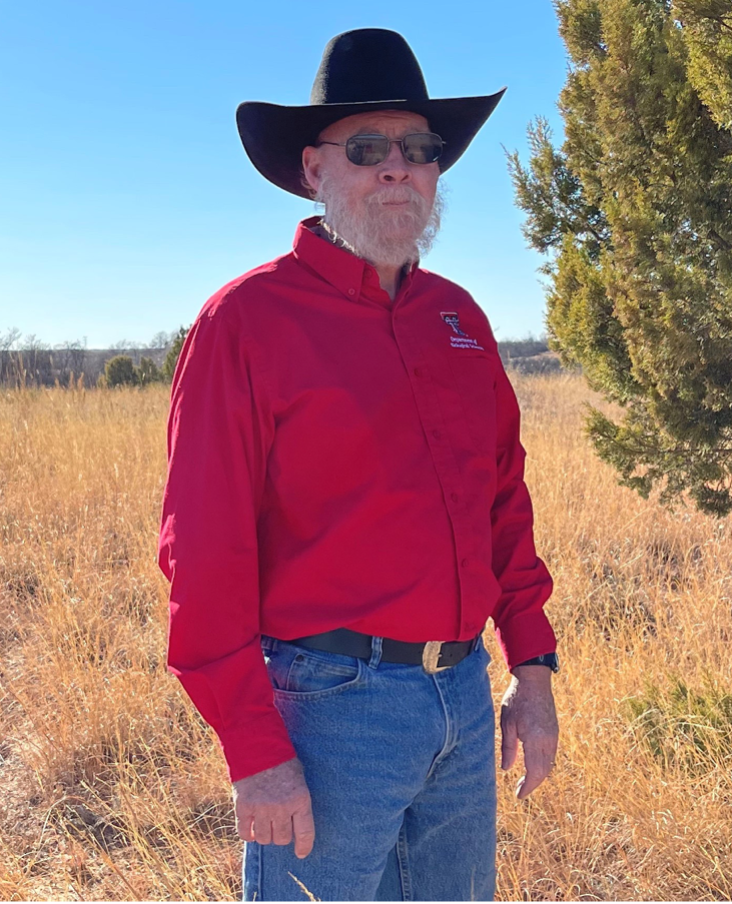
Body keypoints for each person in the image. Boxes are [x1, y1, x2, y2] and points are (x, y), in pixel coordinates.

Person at [158, 28, 559, 904]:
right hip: (328, 709)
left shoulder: (459, 320)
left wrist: (531, 669)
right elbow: (203, 554)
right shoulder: (245, 323)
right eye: (368, 148)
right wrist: (257, 754)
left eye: (419, 149)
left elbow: (503, 508)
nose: (397, 168)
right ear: (313, 169)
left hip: (461, 698)